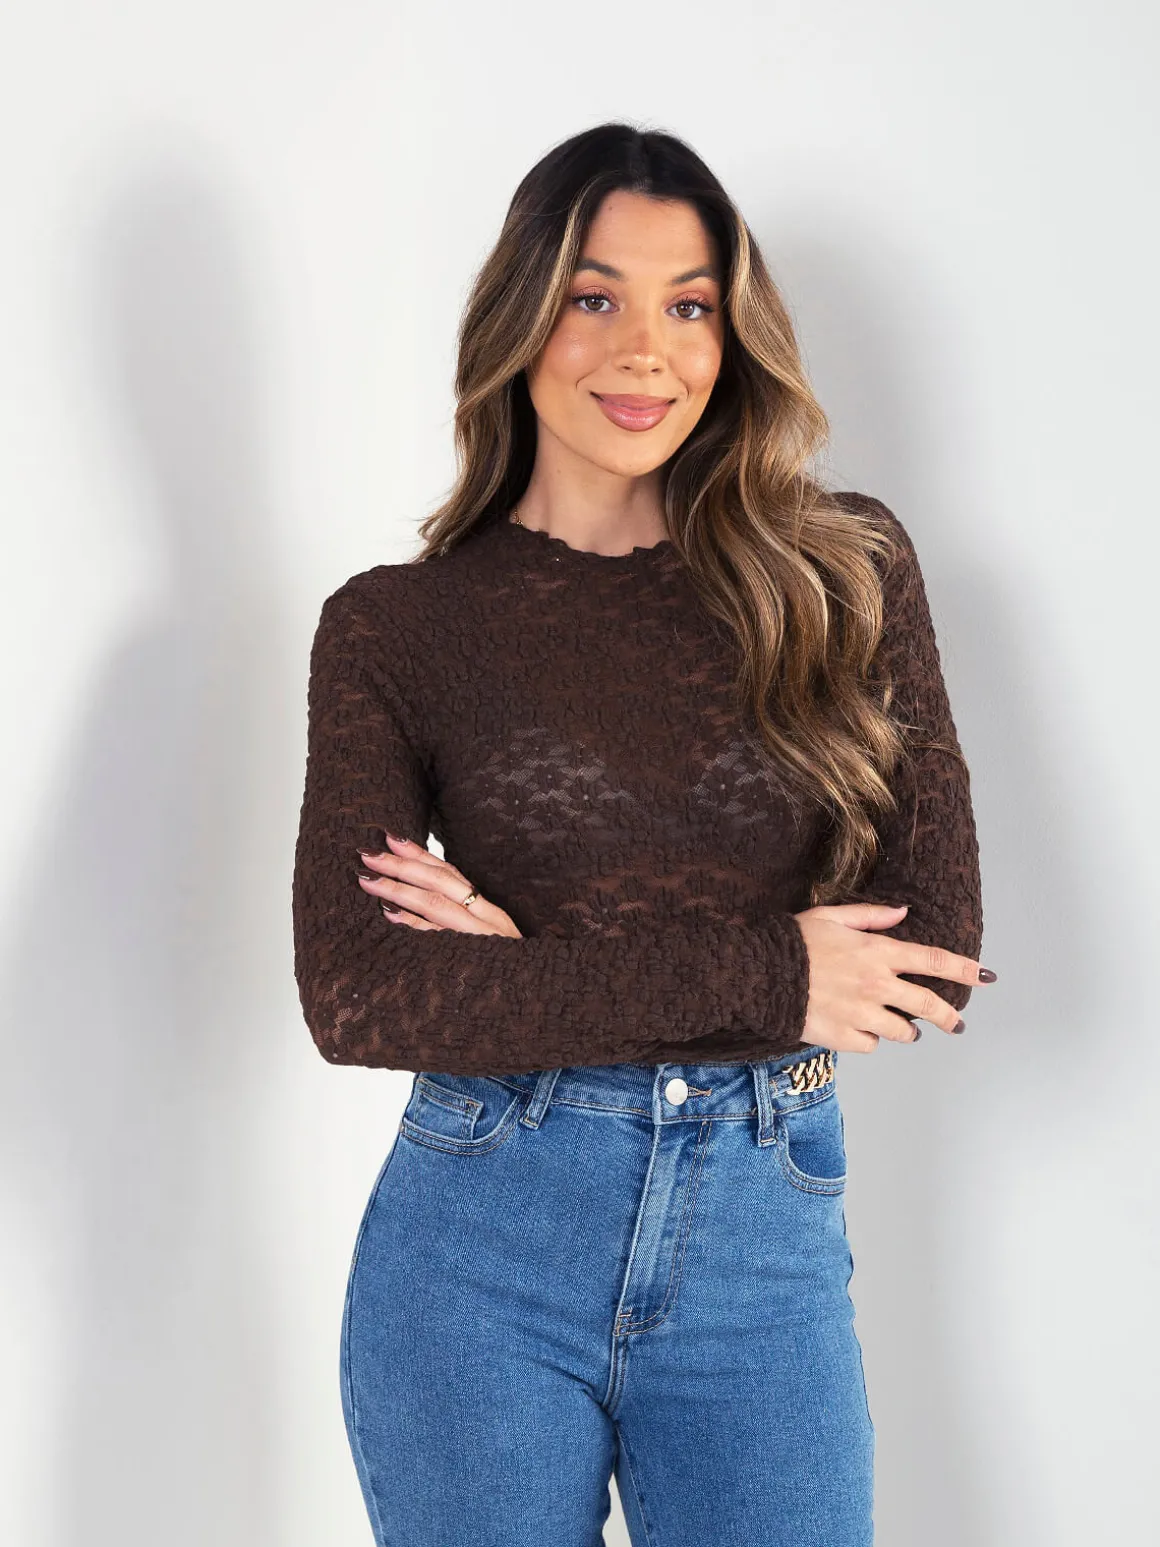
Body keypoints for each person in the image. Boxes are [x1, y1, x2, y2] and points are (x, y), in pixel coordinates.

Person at [291, 121, 993, 1547]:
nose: (645, 351)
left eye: (690, 306)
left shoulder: (844, 570)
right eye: (595, 296)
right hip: (480, 1244)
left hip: (762, 1252)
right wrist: (774, 971)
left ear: (733, 338)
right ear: (521, 317)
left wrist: (527, 973)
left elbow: (927, 953)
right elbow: (359, 995)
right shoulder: (394, 628)